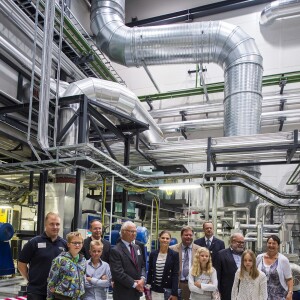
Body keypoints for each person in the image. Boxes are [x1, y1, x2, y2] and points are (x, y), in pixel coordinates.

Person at [18, 212, 67, 300]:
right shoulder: (34, 242)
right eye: (52, 224)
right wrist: (31, 279)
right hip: (36, 292)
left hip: (57, 292)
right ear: (45, 225)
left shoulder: (64, 244)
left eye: (57, 224)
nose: (55, 227)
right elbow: (21, 264)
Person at [109, 221, 146, 300]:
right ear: (123, 232)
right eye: (132, 231)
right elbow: (118, 273)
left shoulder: (137, 248)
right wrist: (135, 284)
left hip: (136, 293)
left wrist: (142, 279)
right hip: (123, 293)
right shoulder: (115, 250)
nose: (134, 234)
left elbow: (142, 265)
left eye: (135, 231)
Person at [47, 231, 86, 299]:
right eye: (74, 243)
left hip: (79, 297)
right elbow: (51, 282)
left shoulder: (83, 260)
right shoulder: (59, 260)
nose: (77, 245)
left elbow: (83, 279)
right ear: (68, 244)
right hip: (63, 297)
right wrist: (49, 298)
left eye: (79, 243)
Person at [257, 235, 293, 300]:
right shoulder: (259, 258)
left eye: (274, 243)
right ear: (266, 244)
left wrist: (290, 293)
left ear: (278, 246)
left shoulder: (283, 260)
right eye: (269, 243)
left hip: (279, 296)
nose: (271, 245)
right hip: (262, 296)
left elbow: (289, 279)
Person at [170, 226, 200, 300]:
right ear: (181, 236)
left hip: (194, 284)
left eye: (190, 235)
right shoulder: (172, 249)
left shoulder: (199, 250)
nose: (188, 237)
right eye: (186, 235)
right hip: (178, 284)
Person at [147, 230, 179, 300]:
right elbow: (150, 272)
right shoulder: (153, 254)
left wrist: (174, 293)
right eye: (163, 238)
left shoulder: (174, 255)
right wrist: (147, 290)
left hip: (167, 290)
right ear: (159, 238)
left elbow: (175, 275)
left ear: (170, 240)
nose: (165, 240)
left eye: (167, 238)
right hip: (154, 290)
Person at [215, 232, 245, 300]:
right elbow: (217, 275)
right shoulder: (221, 254)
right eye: (239, 242)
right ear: (232, 241)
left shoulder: (246, 254)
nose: (241, 245)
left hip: (244, 292)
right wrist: (217, 291)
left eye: (243, 242)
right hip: (227, 292)